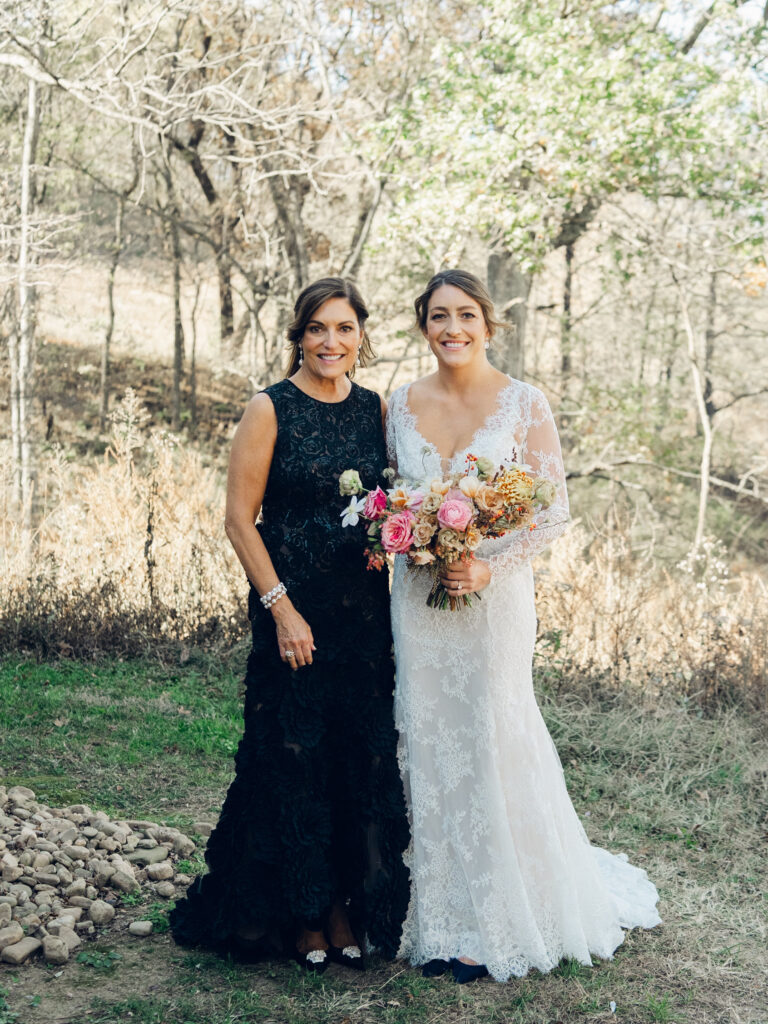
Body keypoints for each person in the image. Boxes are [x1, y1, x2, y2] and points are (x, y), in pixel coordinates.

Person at [385, 269, 660, 984]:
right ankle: (440, 912)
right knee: (429, 738)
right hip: (418, 601)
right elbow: (393, 499)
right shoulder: (399, 403)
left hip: (494, 599)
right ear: (423, 325)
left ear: (488, 322)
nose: (453, 329)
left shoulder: (523, 401)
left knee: (489, 734)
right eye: (439, 317)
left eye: (466, 315)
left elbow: (552, 511)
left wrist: (486, 567)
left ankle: (495, 918)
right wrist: (409, 536)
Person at [170, 278, 410, 972]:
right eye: (316, 330)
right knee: (294, 753)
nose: (330, 342)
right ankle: (301, 913)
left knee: (354, 757)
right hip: (292, 610)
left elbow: (389, 501)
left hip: (363, 615)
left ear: (361, 334)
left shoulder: (376, 410)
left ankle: (343, 907)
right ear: (298, 337)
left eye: (343, 328)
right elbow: (238, 520)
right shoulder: (268, 409)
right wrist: (282, 608)